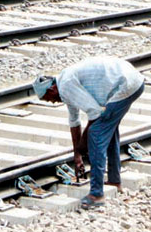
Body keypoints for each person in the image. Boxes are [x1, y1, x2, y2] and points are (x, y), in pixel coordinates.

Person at [32, 56, 145, 209]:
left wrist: (83, 145)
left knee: (96, 134)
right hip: (133, 81)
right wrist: (77, 155)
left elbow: (94, 113)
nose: (51, 102)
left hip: (126, 85)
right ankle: (114, 181)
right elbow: (74, 121)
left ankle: (97, 195)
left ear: (51, 89)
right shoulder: (64, 85)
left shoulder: (65, 86)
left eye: (48, 99)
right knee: (108, 129)